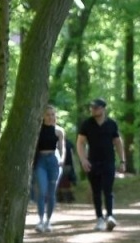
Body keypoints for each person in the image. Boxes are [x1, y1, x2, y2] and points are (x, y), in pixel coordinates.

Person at [76, 98, 126, 231]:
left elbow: (118, 142)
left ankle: (110, 216)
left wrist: (122, 161)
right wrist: (83, 159)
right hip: (92, 162)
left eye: (96, 108)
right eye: (92, 108)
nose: (93, 110)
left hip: (109, 161)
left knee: (108, 189)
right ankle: (99, 218)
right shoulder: (87, 124)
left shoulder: (111, 124)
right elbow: (80, 142)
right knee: (96, 191)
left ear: (103, 109)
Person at [32, 105, 67, 234]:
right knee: (42, 190)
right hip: (41, 161)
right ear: (43, 116)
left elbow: (62, 148)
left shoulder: (59, 131)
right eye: (48, 114)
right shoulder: (37, 130)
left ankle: (48, 221)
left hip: (53, 161)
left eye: (53, 114)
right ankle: (40, 220)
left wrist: (62, 159)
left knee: (51, 193)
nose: (50, 117)